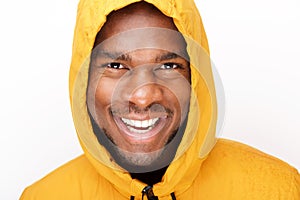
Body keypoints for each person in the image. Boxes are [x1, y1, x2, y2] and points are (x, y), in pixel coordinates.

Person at [20, 0, 299, 199]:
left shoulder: (278, 190)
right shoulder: (45, 196)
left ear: (195, 80)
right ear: (84, 82)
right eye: (116, 66)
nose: (142, 96)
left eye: (169, 66)